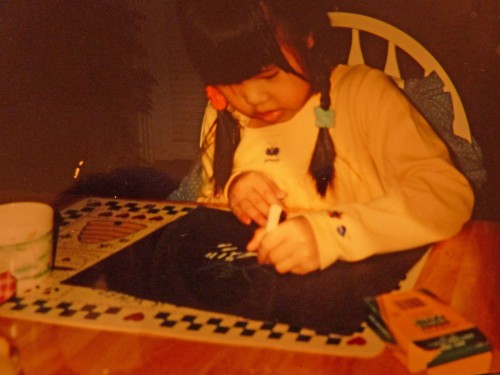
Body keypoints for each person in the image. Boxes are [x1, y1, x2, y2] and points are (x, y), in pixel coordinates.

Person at [176, 0, 474, 276]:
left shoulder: (363, 95)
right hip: (270, 293)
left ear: (306, 38)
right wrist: (233, 190)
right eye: (231, 82)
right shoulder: (228, 115)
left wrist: (331, 234)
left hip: (371, 280)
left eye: (268, 76)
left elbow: (446, 196)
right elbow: (205, 217)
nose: (253, 98)